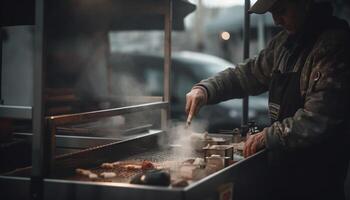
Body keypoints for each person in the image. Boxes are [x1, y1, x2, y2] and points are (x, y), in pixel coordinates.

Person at [185, 0, 350, 199]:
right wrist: (206, 89)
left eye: (281, 11)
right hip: (282, 175)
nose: (277, 20)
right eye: (272, 13)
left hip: (316, 181)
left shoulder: (333, 44)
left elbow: (318, 119)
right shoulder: (284, 44)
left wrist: (267, 136)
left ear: (305, 4)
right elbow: (247, 75)